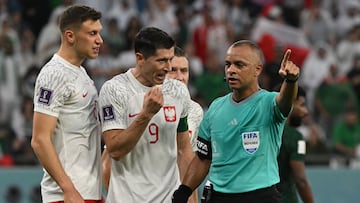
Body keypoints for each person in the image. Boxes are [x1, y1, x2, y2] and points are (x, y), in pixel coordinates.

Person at [172, 39, 300, 203]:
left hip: (260, 196)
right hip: (218, 197)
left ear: (257, 69)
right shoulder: (215, 108)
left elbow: (285, 101)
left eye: (239, 65)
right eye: (228, 64)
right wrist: (184, 191)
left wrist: (290, 81)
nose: (231, 70)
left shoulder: (269, 103)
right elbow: (203, 158)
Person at [98, 27, 194, 202]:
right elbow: (115, 150)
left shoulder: (178, 91)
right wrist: (146, 114)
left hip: (168, 198)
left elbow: (184, 150)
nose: (168, 67)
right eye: (161, 61)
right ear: (140, 58)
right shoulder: (115, 90)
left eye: (170, 59)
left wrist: (189, 195)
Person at [31, 5, 104, 203]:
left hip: (89, 192)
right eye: (92, 33)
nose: (99, 40)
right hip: (66, 195)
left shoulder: (81, 72)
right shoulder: (54, 74)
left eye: (99, 33)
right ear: (70, 36)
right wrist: (68, 189)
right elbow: (39, 140)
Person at [276, 86, 315, 203]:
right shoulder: (297, 139)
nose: (305, 111)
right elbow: (301, 179)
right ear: (289, 102)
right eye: (302, 105)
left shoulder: (262, 131)